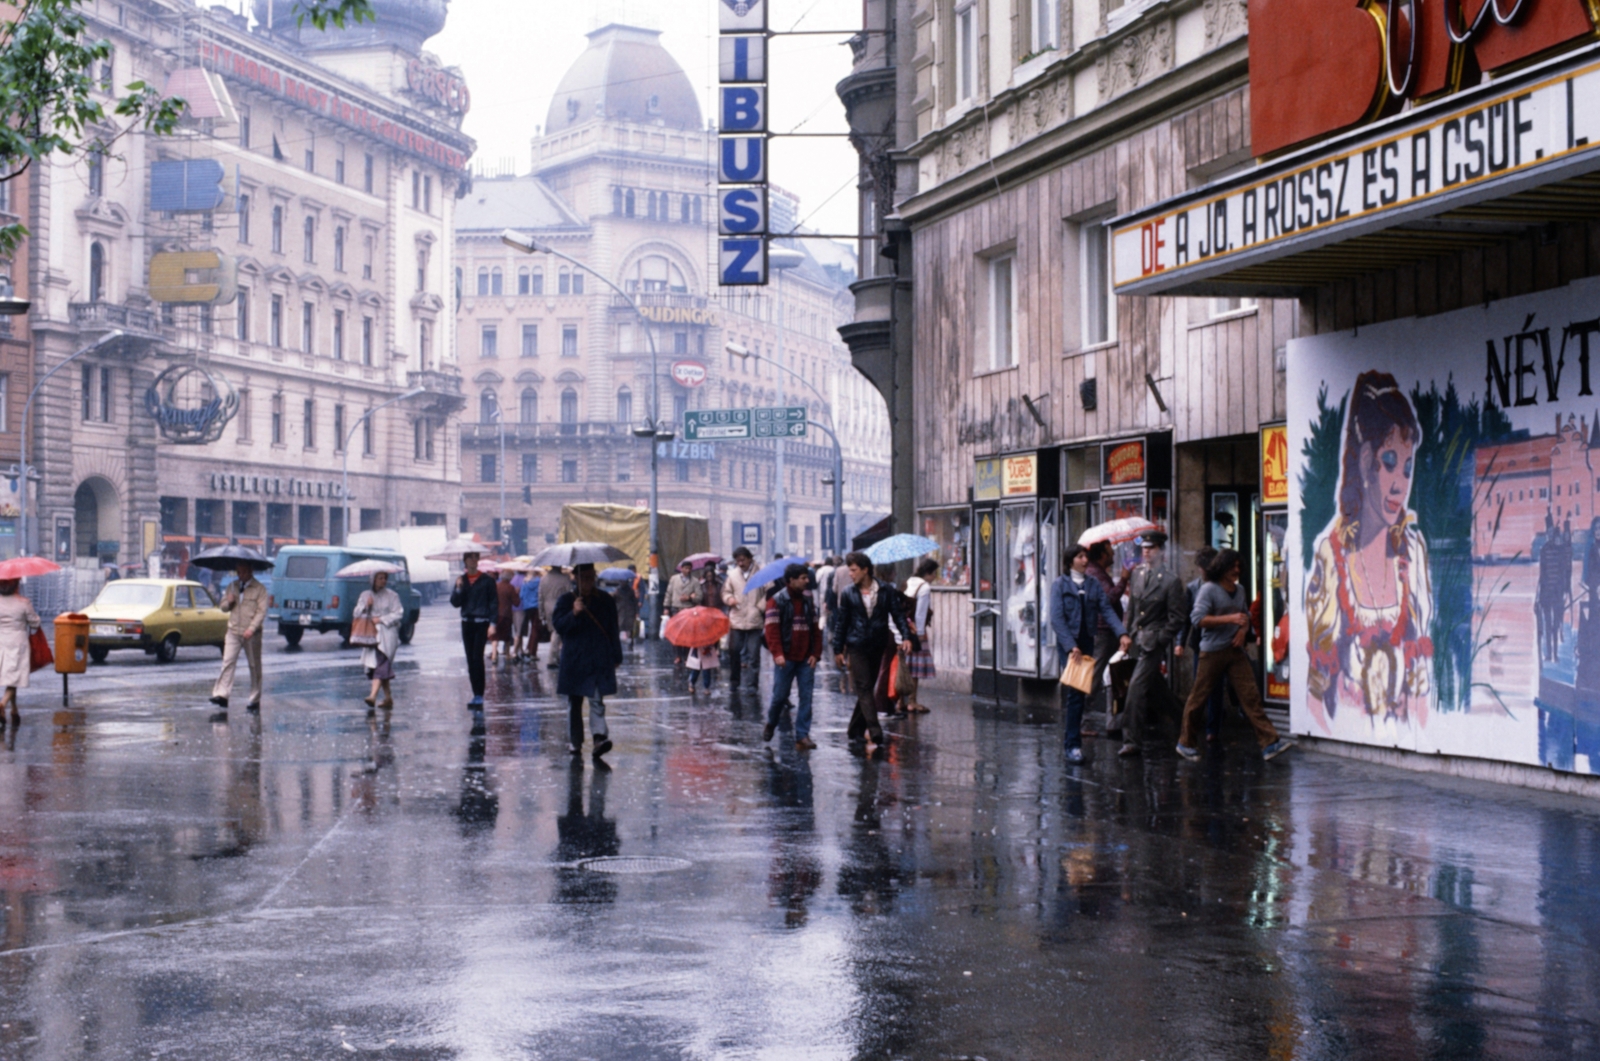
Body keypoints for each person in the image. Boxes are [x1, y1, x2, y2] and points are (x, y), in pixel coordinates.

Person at [1304, 369, 1432, 731]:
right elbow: (1315, 707)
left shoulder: (1413, 554)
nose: (1400, 484)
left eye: (1407, 468)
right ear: (1365, 462)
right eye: (1390, 461)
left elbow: (1421, 696)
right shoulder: (1332, 558)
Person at [1177, 548, 1293, 761]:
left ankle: (1269, 743)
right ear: (1222, 567)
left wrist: (1241, 632)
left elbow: (1246, 616)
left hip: (1235, 651)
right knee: (1198, 697)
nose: (1237, 570)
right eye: (1233, 566)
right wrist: (1229, 620)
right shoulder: (1209, 590)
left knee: (1250, 696)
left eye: (1239, 566)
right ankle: (1185, 743)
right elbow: (1198, 619)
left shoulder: (1239, 590)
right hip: (1212, 652)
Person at [1049, 545, 1126, 764]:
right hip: (1070, 645)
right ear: (1070, 561)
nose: (1085, 560)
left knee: (1081, 691)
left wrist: (1122, 633)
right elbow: (1057, 619)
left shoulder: (1092, 584)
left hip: (1087, 641)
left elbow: (1107, 610)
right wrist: (1071, 646)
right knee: (1075, 691)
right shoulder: (1060, 585)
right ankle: (1072, 745)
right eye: (1080, 557)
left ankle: (1073, 740)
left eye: (1085, 556)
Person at [1118, 531, 1187, 757]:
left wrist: (1160, 639)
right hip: (1137, 640)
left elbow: (1177, 618)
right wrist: (1125, 636)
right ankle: (1185, 720)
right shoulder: (1137, 574)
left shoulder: (1171, 580)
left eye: (1152, 548)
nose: (1146, 552)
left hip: (1153, 642)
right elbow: (1133, 610)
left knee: (1136, 690)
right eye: (1144, 548)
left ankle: (1131, 740)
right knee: (1158, 690)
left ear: (1162, 551)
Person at [832, 551, 908, 750]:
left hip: (877, 644)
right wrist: (838, 649)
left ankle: (855, 729)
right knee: (864, 688)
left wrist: (906, 636)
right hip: (856, 645)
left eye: (854, 570)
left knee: (868, 687)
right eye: (849, 570)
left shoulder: (886, 590)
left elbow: (898, 615)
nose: (850, 574)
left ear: (865, 570)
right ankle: (875, 731)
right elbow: (842, 622)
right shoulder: (848, 593)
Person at [552, 563, 622, 759]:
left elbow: (612, 630)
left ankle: (599, 738)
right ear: (575, 578)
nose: (588, 582)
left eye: (591, 577)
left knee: (597, 699)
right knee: (574, 702)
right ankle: (575, 741)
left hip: (598, 657)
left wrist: (616, 655)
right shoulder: (566, 600)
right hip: (575, 659)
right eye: (584, 578)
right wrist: (573, 612)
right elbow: (558, 625)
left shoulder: (605, 600)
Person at [762, 563, 822, 749]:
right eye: (803, 578)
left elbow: (815, 628)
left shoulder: (808, 599)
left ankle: (802, 735)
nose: (807, 581)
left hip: (805, 658)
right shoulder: (776, 600)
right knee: (780, 696)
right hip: (786, 658)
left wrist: (816, 653)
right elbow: (771, 631)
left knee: (807, 697)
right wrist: (777, 653)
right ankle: (771, 723)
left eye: (807, 577)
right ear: (791, 580)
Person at [210, 561, 268, 714]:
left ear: (250, 571)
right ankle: (222, 694)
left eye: (243, 572)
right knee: (227, 662)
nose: (240, 575)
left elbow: (261, 612)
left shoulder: (259, 589)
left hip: (252, 634)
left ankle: (254, 698)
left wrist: (252, 628)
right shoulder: (232, 586)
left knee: (254, 666)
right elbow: (222, 607)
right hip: (233, 631)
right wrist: (228, 602)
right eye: (238, 572)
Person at [1184, 546, 1227, 742]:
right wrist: (1180, 642)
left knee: (1215, 687)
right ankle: (1196, 728)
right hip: (1200, 642)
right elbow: (1187, 617)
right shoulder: (1193, 588)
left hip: (1218, 641)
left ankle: (1213, 728)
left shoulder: (1221, 586)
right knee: (1200, 687)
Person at [1084, 540, 1125, 725]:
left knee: (1110, 674)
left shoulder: (1097, 572)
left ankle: (1113, 720)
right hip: (1103, 632)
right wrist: (1124, 579)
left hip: (1107, 631)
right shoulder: (1096, 574)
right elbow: (1109, 599)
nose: (1113, 556)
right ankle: (1081, 719)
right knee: (1095, 675)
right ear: (1102, 555)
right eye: (1110, 552)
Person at [450, 551, 498, 708]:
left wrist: (493, 624)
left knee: (477, 657)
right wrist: (458, 589)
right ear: (465, 560)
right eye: (470, 557)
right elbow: (455, 603)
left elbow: (493, 603)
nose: (473, 560)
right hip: (467, 623)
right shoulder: (462, 580)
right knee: (470, 659)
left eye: (475, 557)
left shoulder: (487, 580)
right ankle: (475, 693)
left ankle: (479, 694)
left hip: (481, 622)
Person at [355, 570, 403, 711]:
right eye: (380, 578)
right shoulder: (365, 595)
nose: (383, 581)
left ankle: (373, 696)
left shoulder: (393, 596)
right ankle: (388, 698)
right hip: (371, 634)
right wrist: (366, 606)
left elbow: (398, 613)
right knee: (380, 665)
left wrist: (381, 619)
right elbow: (356, 613)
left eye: (385, 578)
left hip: (388, 634)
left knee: (381, 662)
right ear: (373, 579)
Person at [723, 546, 764, 695]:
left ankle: (752, 685)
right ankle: (734, 681)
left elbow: (770, 593)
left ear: (750, 558)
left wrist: (760, 607)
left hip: (755, 619)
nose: (740, 563)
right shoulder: (733, 575)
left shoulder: (761, 573)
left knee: (753, 655)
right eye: (737, 561)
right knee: (734, 652)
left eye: (743, 560)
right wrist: (730, 599)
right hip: (737, 618)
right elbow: (726, 591)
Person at [899, 558, 938, 713]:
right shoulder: (924, 587)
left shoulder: (909, 581)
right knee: (914, 668)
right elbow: (920, 613)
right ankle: (912, 701)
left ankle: (901, 700)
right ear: (928, 573)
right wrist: (920, 634)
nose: (934, 577)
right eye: (934, 573)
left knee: (904, 666)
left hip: (903, 628)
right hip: (915, 629)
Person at [0, 579, 40, 725]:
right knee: (14, 677)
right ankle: (3, 704)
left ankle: (14, 710)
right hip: (18, 643)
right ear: (16, 585)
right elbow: (34, 622)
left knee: (10, 677)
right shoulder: (23, 602)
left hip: (1, 641)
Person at [539, 565, 573, 670]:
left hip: (547, 607)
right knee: (557, 632)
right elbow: (570, 593)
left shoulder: (543, 579)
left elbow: (540, 596)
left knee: (554, 631)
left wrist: (541, 613)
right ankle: (552, 659)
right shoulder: (565, 578)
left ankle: (556, 656)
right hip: (560, 607)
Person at [490, 569, 517, 662]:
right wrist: (517, 593)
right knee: (506, 635)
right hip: (506, 615)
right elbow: (516, 602)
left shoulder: (496, 586)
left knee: (495, 636)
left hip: (495, 614)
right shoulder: (510, 587)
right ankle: (507, 654)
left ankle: (494, 655)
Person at [519, 568, 543, 655]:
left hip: (526, 607)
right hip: (536, 606)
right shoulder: (539, 581)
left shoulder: (525, 582)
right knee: (535, 628)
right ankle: (532, 650)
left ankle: (523, 648)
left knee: (524, 628)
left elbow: (521, 595)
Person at [614, 570, 639, 649]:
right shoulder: (617, 591)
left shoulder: (630, 591)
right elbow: (613, 601)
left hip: (629, 612)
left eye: (624, 581)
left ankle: (631, 643)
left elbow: (635, 602)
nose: (622, 583)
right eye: (621, 581)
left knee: (630, 628)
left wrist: (636, 612)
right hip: (620, 612)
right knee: (618, 627)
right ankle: (616, 643)